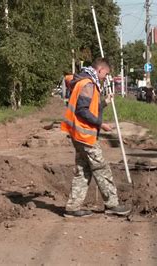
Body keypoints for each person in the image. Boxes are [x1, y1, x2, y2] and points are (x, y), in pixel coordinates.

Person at [61, 57, 131, 217]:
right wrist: (101, 124)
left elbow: (88, 106)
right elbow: (83, 110)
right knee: (101, 169)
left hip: (78, 134)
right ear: (100, 70)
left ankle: (72, 207)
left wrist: (104, 102)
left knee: (83, 170)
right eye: (105, 74)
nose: (105, 78)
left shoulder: (84, 81)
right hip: (85, 135)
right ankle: (112, 205)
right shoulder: (88, 84)